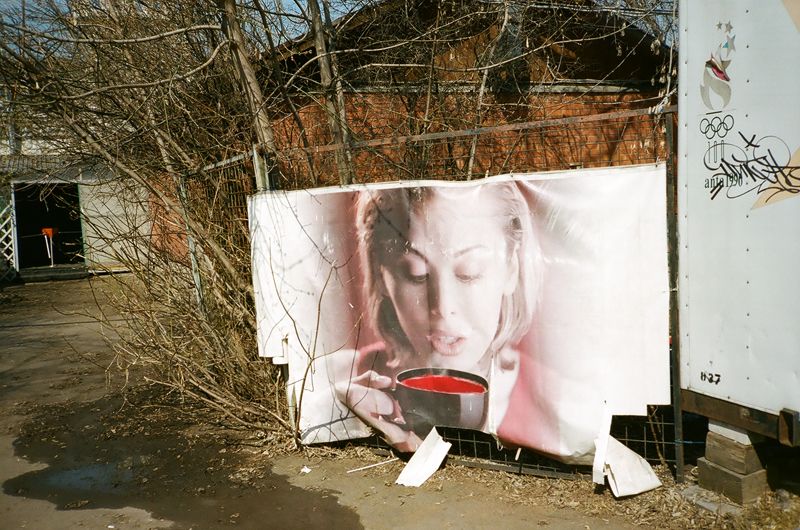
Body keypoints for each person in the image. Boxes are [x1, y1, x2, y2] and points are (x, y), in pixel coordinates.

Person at [334, 182, 540, 451]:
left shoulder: (554, 400)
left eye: (469, 272)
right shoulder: (341, 377)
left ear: (511, 269)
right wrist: (334, 413)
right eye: (416, 273)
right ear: (382, 276)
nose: (443, 306)